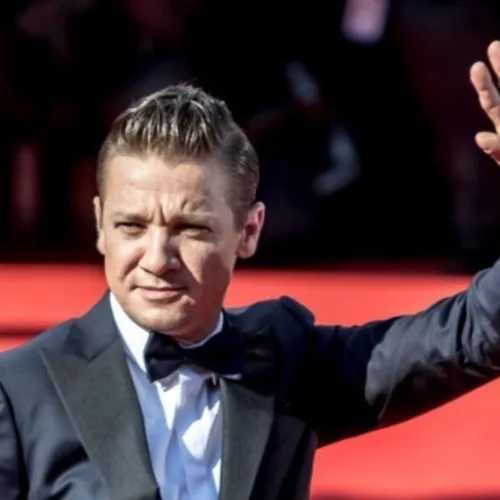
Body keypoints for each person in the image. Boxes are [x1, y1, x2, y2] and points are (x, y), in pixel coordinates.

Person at [2, 42, 500, 500]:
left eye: (191, 229)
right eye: (131, 226)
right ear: (99, 225)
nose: (156, 258)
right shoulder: (20, 391)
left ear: (249, 230)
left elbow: (473, 332)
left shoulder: (287, 359)